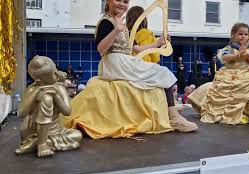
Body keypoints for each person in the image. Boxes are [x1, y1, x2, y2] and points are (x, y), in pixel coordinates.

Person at [62, 0, 197, 138]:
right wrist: (116, 30)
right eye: (118, 0)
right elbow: (101, 49)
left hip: (122, 61)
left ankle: (169, 113)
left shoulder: (120, 23)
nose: (122, 4)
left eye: (125, 1)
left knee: (160, 72)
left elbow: (135, 48)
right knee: (163, 72)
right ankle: (173, 118)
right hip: (116, 62)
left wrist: (158, 43)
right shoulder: (106, 22)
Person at [126, 6, 197, 127]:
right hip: (143, 67)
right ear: (144, 19)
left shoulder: (126, 33)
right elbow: (154, 58)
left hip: (128, 67)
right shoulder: (147, 34)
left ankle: (171, 107)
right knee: (165, 75)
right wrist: (159, 44)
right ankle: (173, 115)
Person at [189, 23, 249, 125]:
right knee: (227, 91)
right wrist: (237, 54)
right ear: (233, 35)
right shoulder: (229, 48)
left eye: (246, 34)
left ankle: (246, 114)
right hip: (231, 73)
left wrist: (247, 54)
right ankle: (232, 115)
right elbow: (224, 58)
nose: (243, 36)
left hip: (248, 74)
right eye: (240, 34)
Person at [16, 56, 82, 157]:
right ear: (38, 80)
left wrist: (56, 96)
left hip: (57, 131)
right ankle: (41, 143)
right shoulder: (32, 89)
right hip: (32, 132)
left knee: (77, 135)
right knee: (47, 98)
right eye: (52, 74)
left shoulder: (59, 88)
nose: (56, 74)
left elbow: (67, 111)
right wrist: (36, 93)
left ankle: (37, 143)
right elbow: (21, 113)